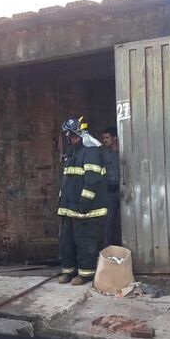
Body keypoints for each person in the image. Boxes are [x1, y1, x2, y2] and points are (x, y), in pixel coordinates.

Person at [57, 115, 108, 285]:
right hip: (68, 208)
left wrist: (84, 202)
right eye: (68, 135)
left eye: (71, 135)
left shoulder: (90, 151)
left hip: (85, 210)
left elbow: (92, 179)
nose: (69, 138)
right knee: (66, 242)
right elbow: (68, 181)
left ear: (79, 134)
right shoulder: (73, 152)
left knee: (84, 243)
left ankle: (85, 274)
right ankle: (68, 271)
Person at [101, 126, 121, 247]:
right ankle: (107, 248)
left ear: (115, 138)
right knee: (109, 221)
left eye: (107, 137)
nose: (105, 140)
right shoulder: (103, 153)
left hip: (124, 190)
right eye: (104, 137)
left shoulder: (124, 151)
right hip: (110, 192)